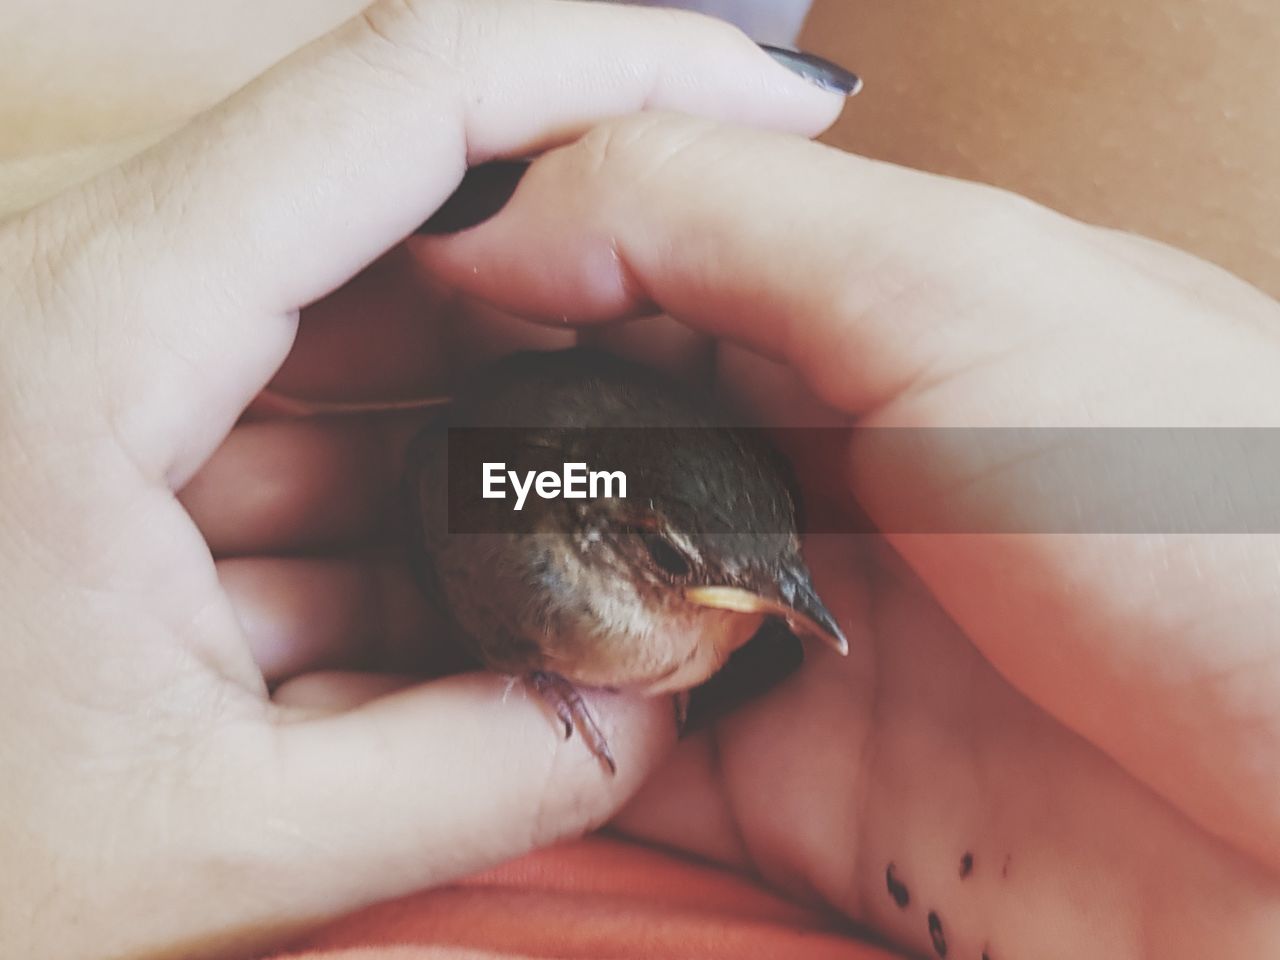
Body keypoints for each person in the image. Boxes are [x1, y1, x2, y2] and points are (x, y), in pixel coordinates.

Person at [1, 1, 1278, 959]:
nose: (778, 598)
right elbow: (473, 493)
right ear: (624, 556)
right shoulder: (554, 582)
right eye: (677, 567)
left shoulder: (716, 522)